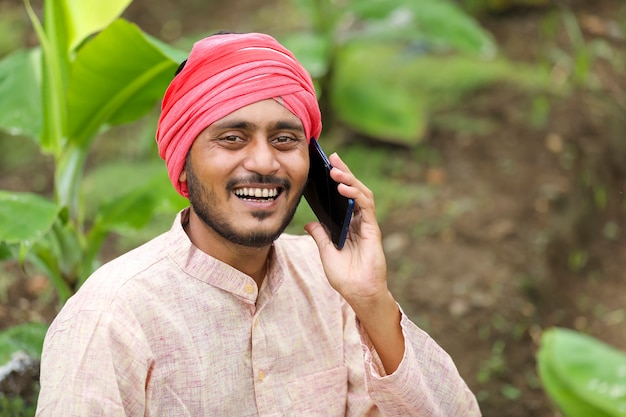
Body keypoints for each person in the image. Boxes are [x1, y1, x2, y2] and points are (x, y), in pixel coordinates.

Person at [36, 32, 481, 416]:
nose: (265, 162)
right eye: (232, 138)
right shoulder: (112, 316)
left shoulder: (330, 283)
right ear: (184, 167)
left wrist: (373, 300)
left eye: (285, 139)